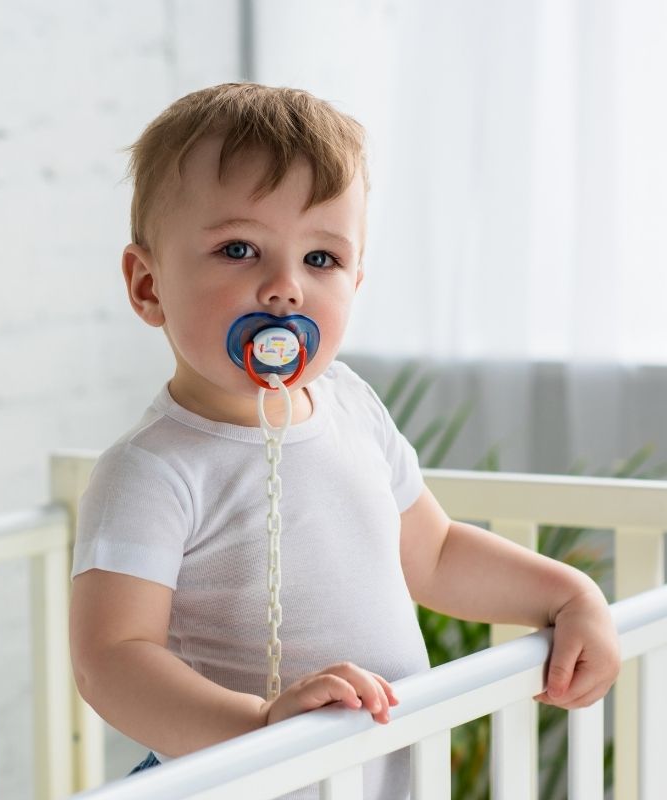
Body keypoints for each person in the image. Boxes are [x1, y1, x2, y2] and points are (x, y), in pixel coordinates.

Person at [68, 83, 620, 799]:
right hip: (248, 782)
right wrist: (263, 725)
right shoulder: (151, 470)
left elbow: (436, 553)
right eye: (238, 248)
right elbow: (113, 658)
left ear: (356, 279)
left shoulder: (350, 404)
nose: (285, 287)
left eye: (321, 259)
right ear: (148, 285)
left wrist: (569, 595)